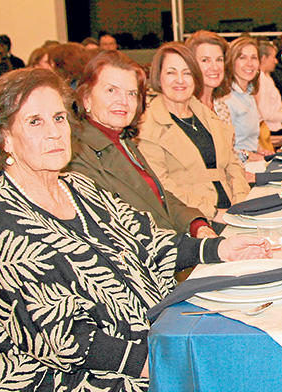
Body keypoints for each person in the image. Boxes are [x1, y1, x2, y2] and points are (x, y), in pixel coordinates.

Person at [0, 68, 272, 392]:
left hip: (146, 340)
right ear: (4, 139)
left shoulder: (77, 187)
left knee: (254, 342)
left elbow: (147, 240)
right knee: (242, 380)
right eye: (34, 123)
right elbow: (67, 340)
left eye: (58, 118)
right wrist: (163, 363)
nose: (55, 132)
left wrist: (219, 249)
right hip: (80, 387)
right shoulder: (6, 223)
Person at [67, 50, 215, 237]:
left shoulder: (124, 141)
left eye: (131, 93)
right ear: (86, 98)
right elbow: (119, 227)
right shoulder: (78, 153)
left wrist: (197, 225)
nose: (123, 101)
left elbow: (158, 198)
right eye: (111, 90)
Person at [137, 42, 251, 221]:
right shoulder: (147, 125)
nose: (180, 80)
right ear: (158, 78)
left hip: (233, 212)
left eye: (187, 73)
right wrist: (213, 213)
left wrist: (240, 202)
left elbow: (232, 166)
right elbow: (162, 185)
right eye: (171, 72)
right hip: (193, 220)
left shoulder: (207, 116)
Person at [215, 36, 273, 164]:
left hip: (253, 162)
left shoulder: (249, 93)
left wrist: (258, 150)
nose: (250, 64)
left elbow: (245, 140)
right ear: (231, 62)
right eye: (242, 58)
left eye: (254, 58)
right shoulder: (225, 98)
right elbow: (225, 149)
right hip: (239, 167)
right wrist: (249, 155)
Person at [185, 30, 228, 110]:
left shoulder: (221, 106)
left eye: (219, 59)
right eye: (205, 60)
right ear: (191, 64)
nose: (215, 67)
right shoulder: (186, 108)